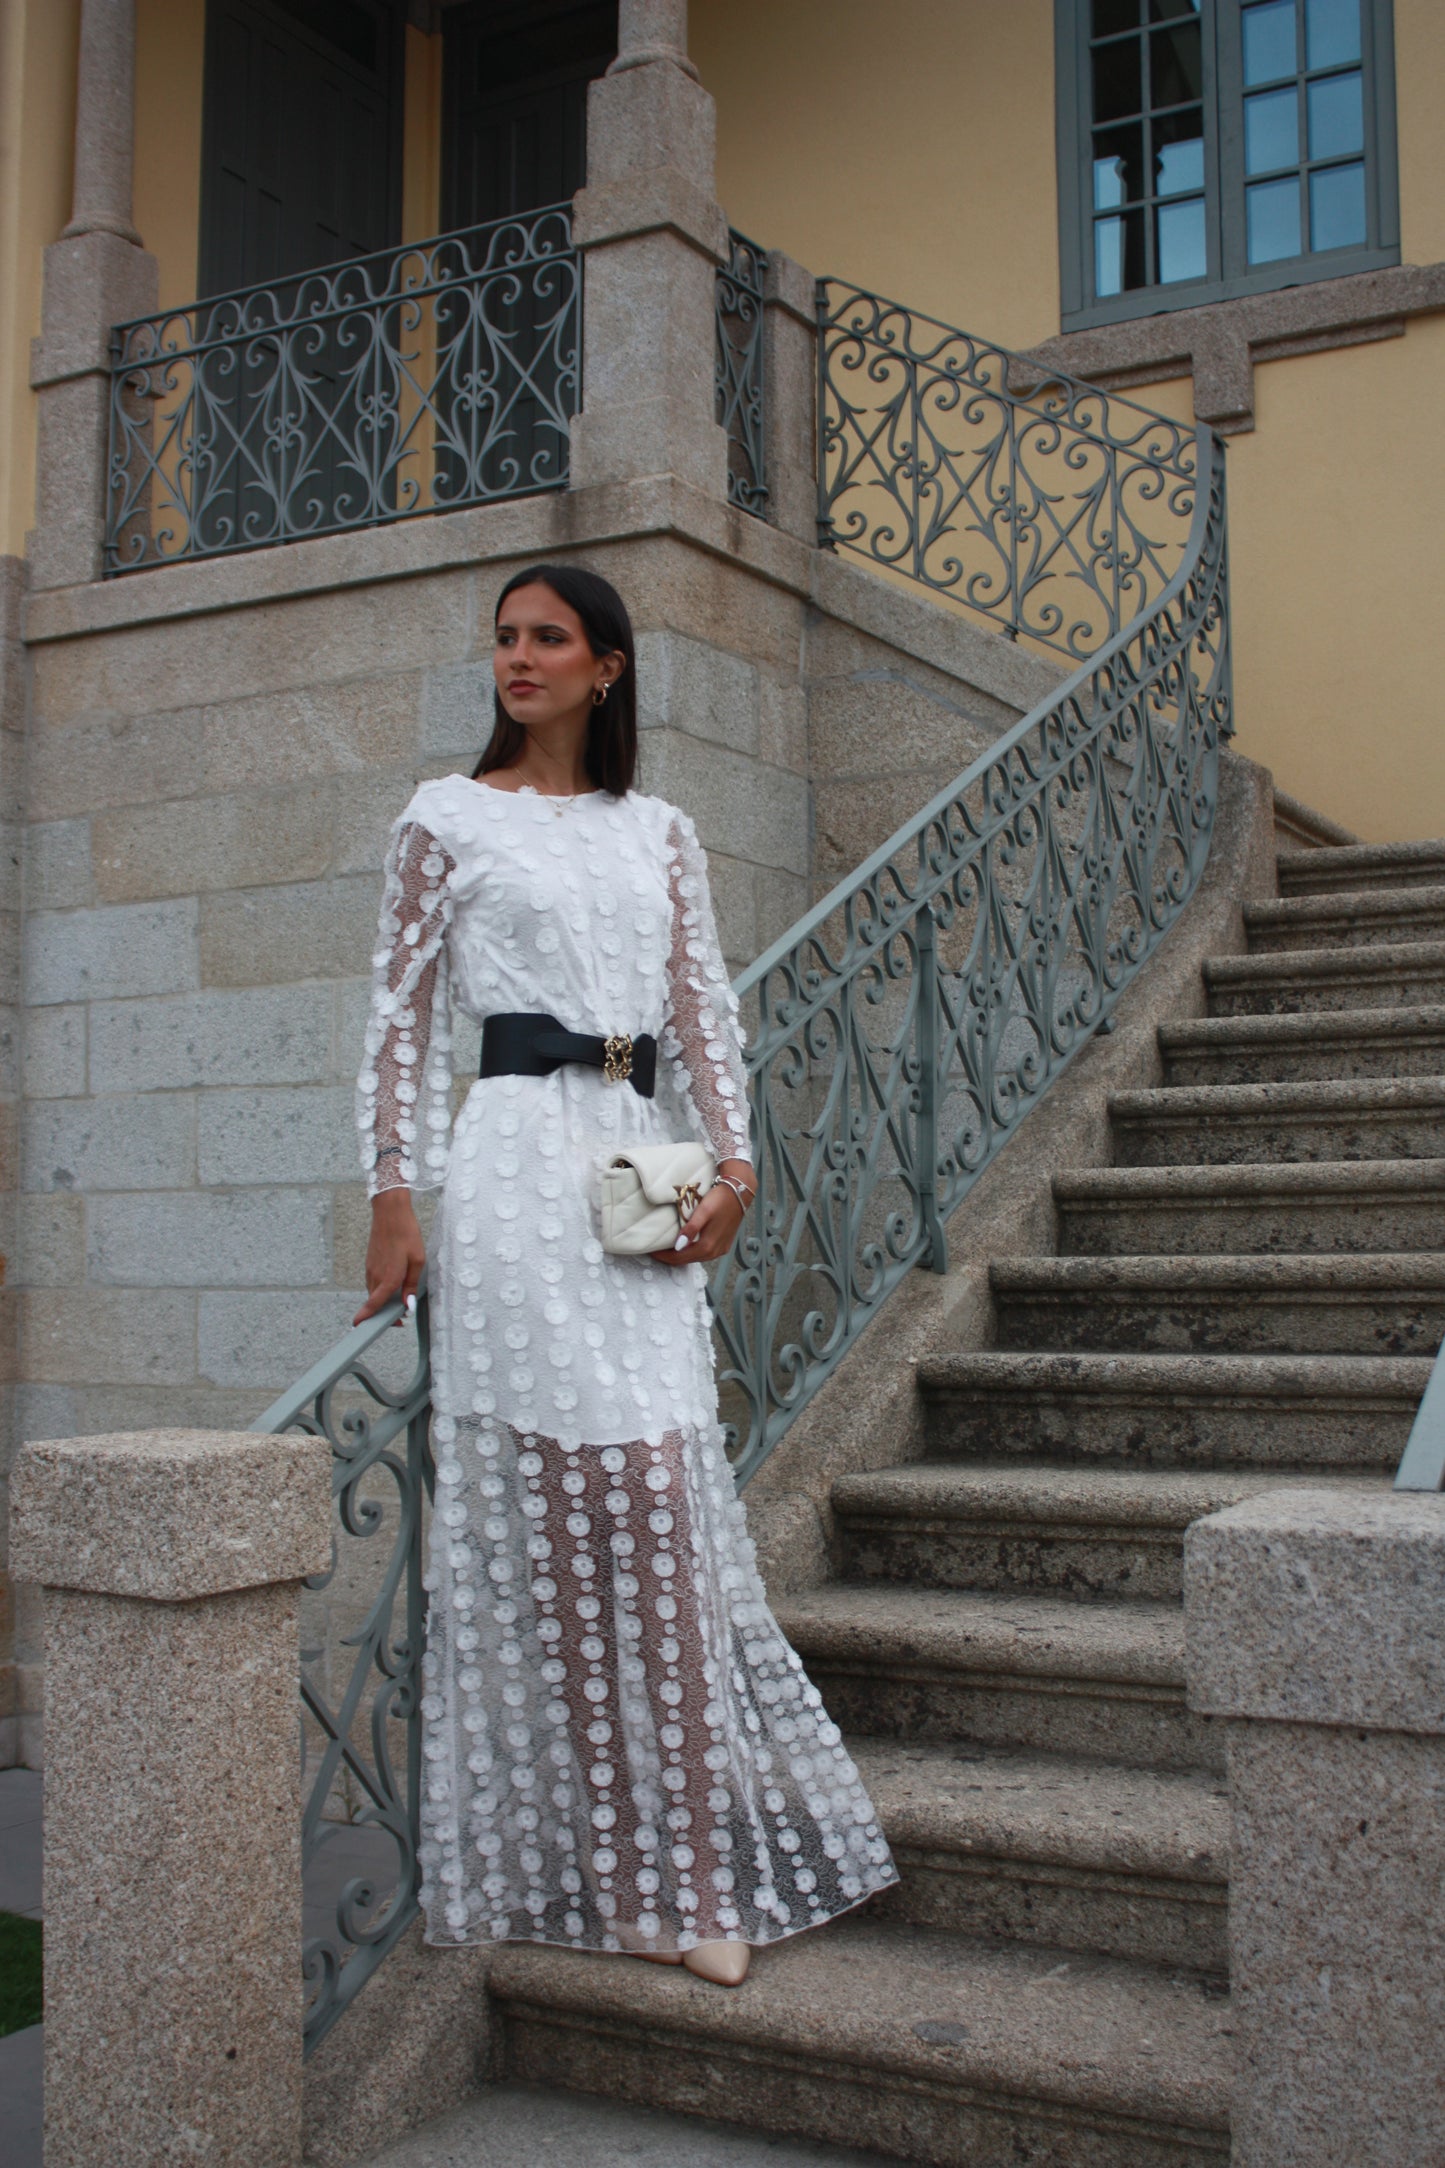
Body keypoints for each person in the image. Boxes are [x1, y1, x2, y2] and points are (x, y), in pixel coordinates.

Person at [355, 563, 897, 1988]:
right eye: (503, 637)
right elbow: (398, 1032)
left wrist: (734, 1164)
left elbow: (703, 1009)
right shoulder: (443, 817)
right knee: (565, 1520)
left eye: (546, 638)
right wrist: (391, 1200)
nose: (516, 657)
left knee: (657, 1512)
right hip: (515, 1173)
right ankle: (617, 1873)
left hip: (639, 1167)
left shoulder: (659, 828)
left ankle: (683, 1870)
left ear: (606, 666)